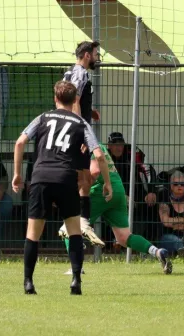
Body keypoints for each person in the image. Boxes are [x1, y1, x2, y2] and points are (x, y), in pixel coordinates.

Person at [12, 81, 112, 295]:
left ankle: (28, 282)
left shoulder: (43, 118)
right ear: (75, 99)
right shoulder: (81, 123)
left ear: (55, 98)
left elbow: (20, 143)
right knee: (74, 231)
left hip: (41, 177)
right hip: (66, 177)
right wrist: (108, 183)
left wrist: (18, 174)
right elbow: (99, 155)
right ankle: (76, 280)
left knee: (33, 234)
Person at [59, 144, 172, 275]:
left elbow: (95, 171)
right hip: (117, 189)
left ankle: (76, 267)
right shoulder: (98, 143)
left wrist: (79, 190)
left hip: (101, 190)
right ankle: (157, 252)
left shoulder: (84, 143)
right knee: (124, 237)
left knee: (68, 227)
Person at [60, 41, 104, 246]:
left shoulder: (69, 72)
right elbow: (75, 100)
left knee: (84, 177)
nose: (97, 57)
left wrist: (90, 110)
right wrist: (79, 129)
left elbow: (68, 100)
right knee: (85, 178)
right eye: (96, 54)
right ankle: (77, 222)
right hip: (76, 131)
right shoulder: (81, 72)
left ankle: (79, 222)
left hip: (68, 128)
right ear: (87, 55)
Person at [158, 171, 184, 257]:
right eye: (176, 184)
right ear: (171, 186)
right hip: (169, 236)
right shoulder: (165, 201)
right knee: (172, 239)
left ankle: (182, 251)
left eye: (182, 184)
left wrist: (175, 225)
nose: (179, 186)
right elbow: (166, 222)